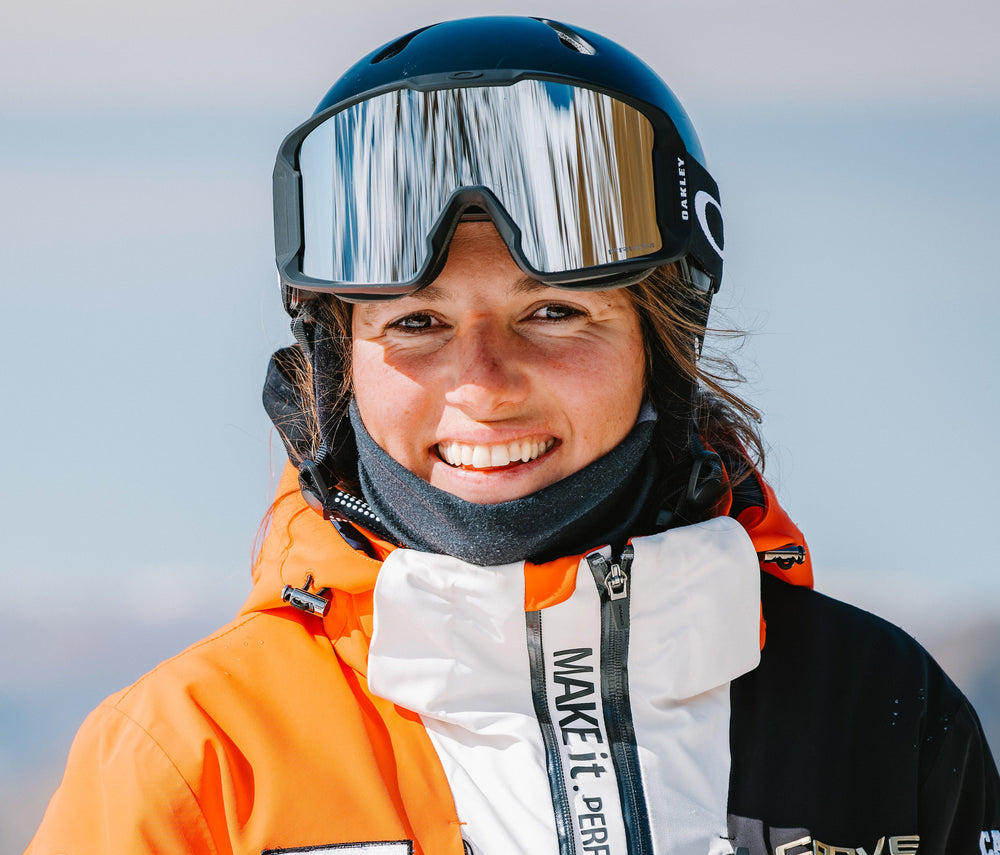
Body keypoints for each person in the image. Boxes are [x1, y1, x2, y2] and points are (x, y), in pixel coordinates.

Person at [26, 15, 1000, 855]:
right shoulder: (197, 756)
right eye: (417, 322)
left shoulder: (879, 717)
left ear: (663, 345)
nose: (484, 384)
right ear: (335, 365)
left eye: (553, 313)